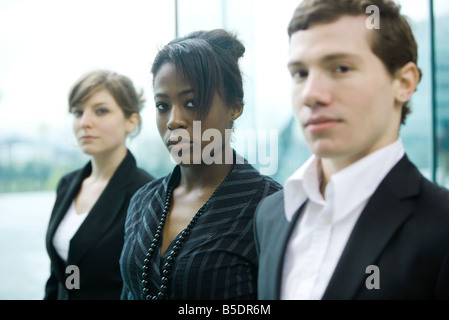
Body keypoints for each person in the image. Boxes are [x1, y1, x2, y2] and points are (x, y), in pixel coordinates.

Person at [255, 0, 449, 300]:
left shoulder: (441, 226)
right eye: (300, 73)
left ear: (404, 82)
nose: (311, 94)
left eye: (341, 68)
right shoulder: (271, 215)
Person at [119, 29, 282, 300]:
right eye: (162, 106)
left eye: (192, 102)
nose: (174, 120)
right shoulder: (142, 201)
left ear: (235, 106)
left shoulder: (270, 206)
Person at [44, 70, 154, 300]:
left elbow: (145, 287)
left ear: (132, 121)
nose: (84, 122)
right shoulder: (67, 184)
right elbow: (61, 274)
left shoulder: (146, 194)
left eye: (101, 111)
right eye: (77, 112)